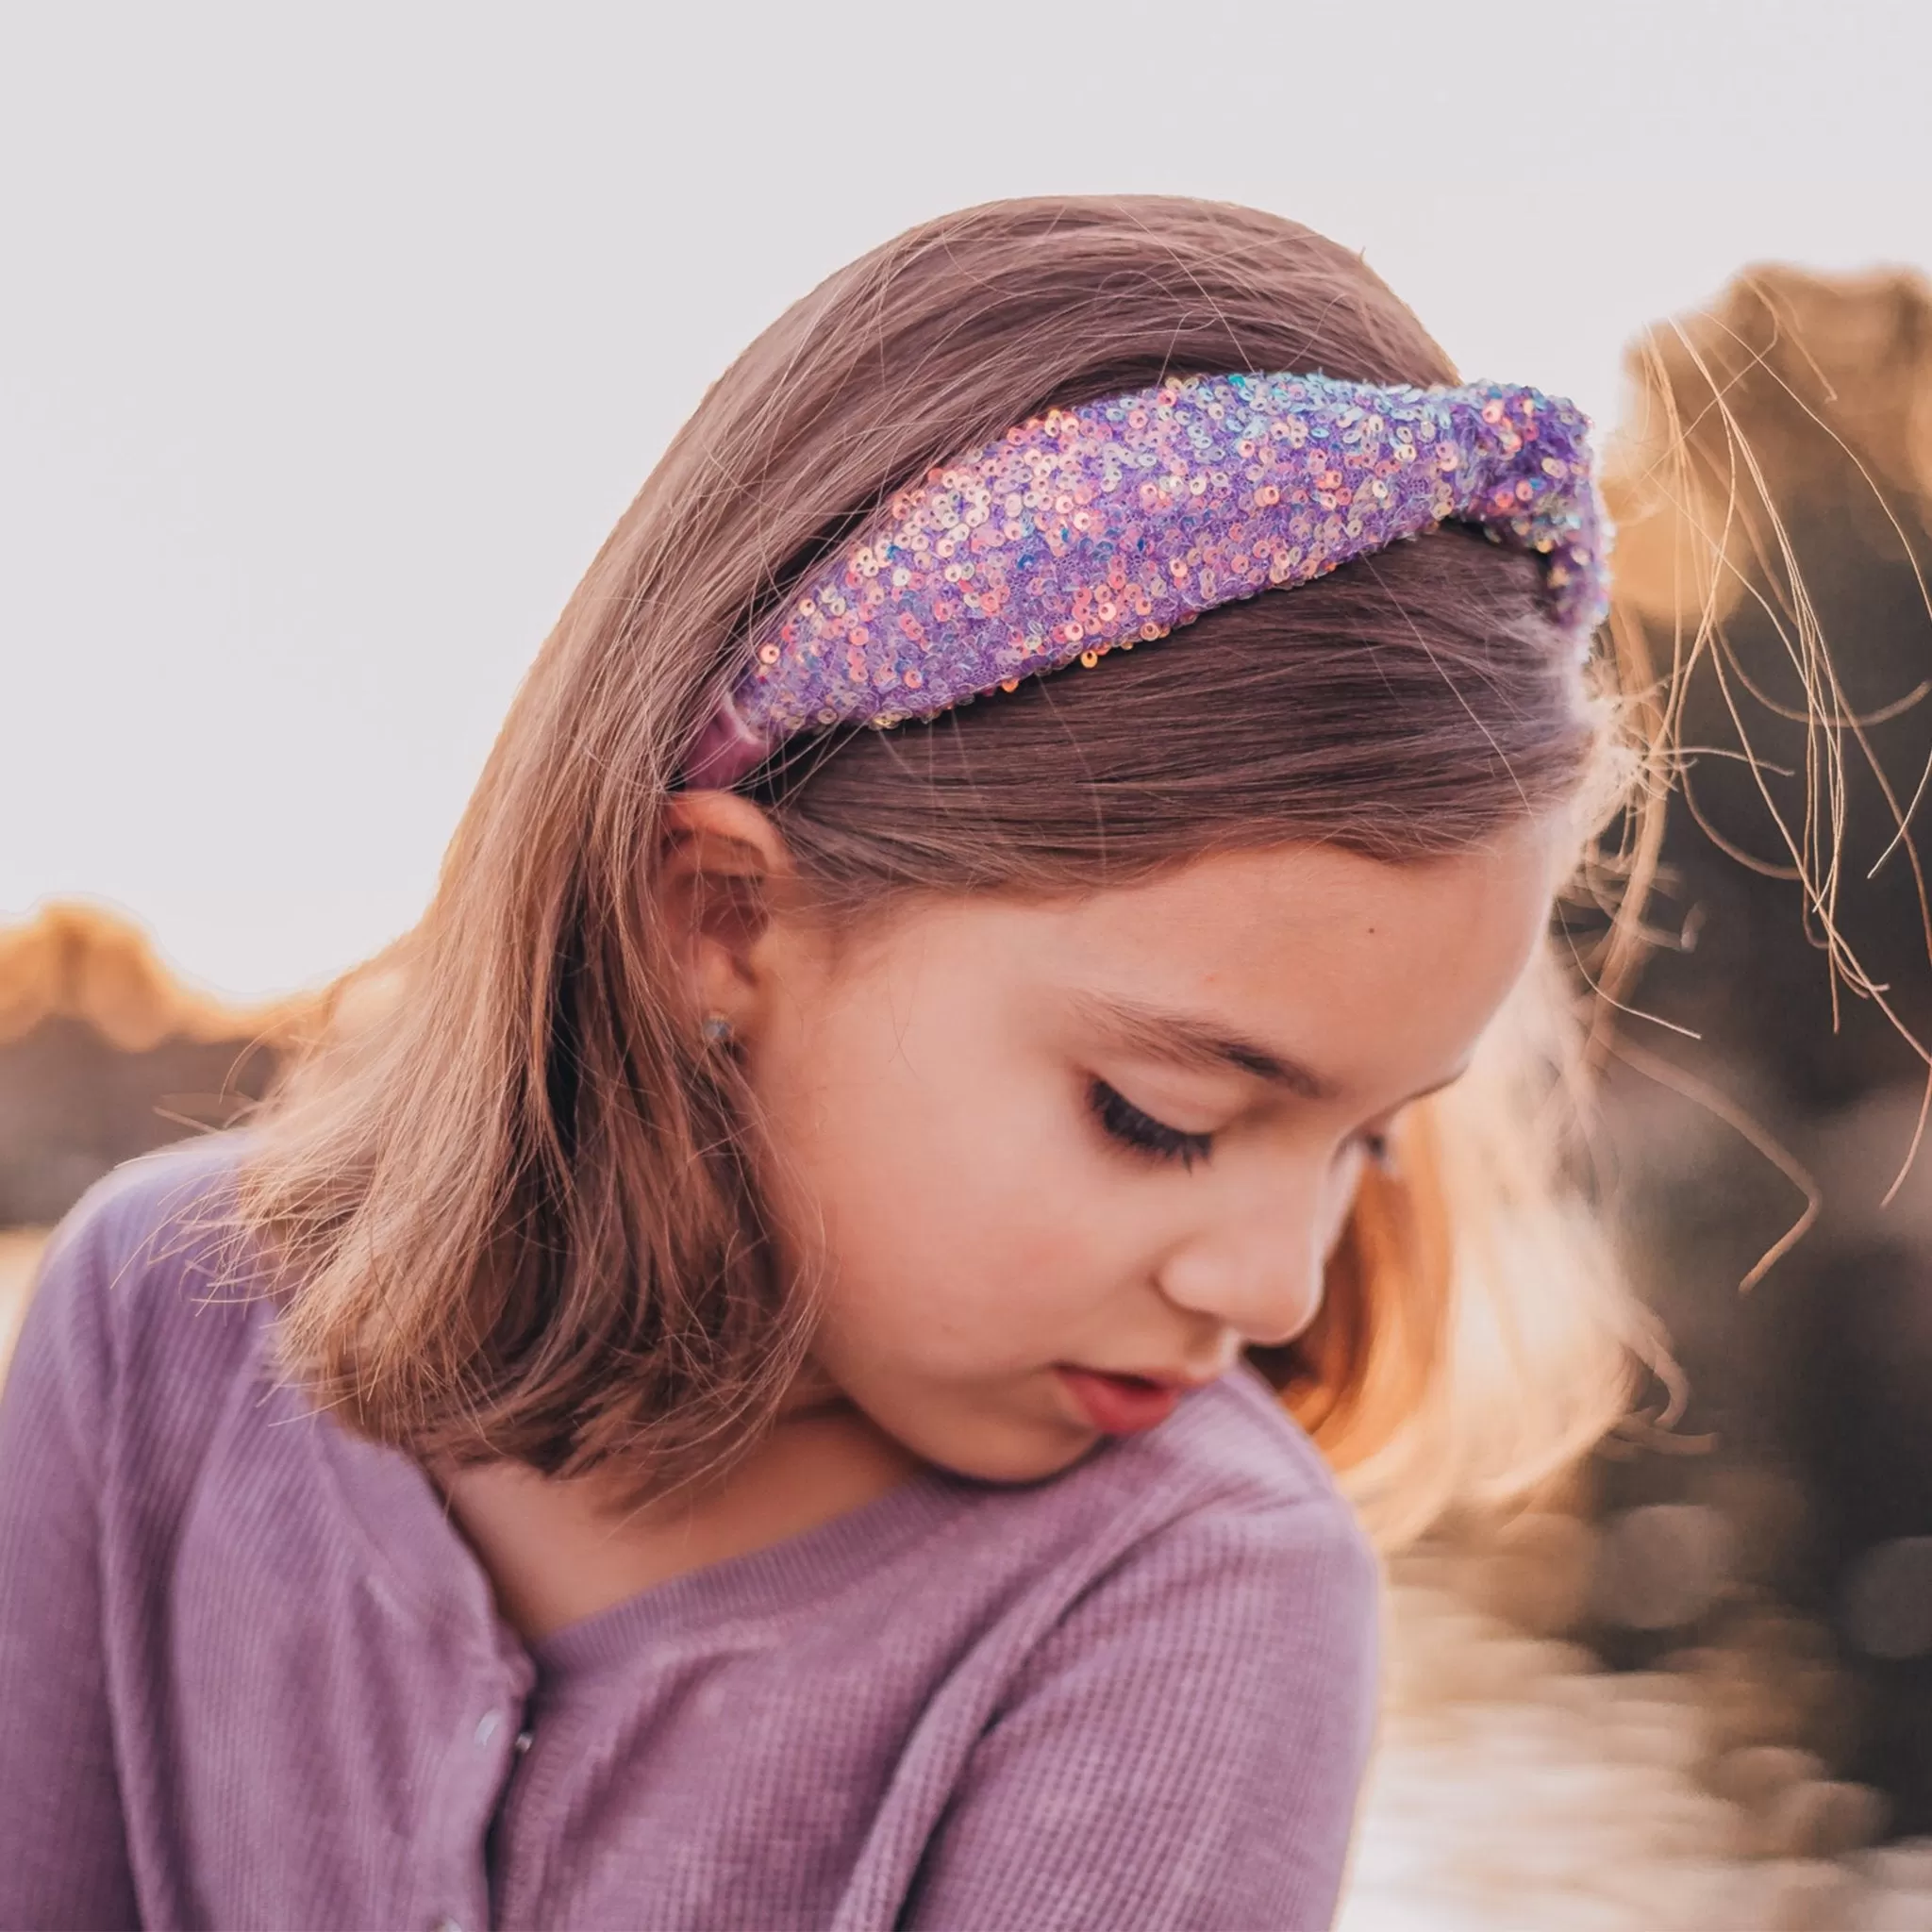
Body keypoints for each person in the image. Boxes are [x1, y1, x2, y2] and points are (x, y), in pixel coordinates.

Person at [0, 196, 1647, 1930]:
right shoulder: (150, 1331)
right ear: (718, 917)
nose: (1271, 1282)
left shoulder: (1198, 1585)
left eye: (1368, 1145)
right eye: (1162, 1122)